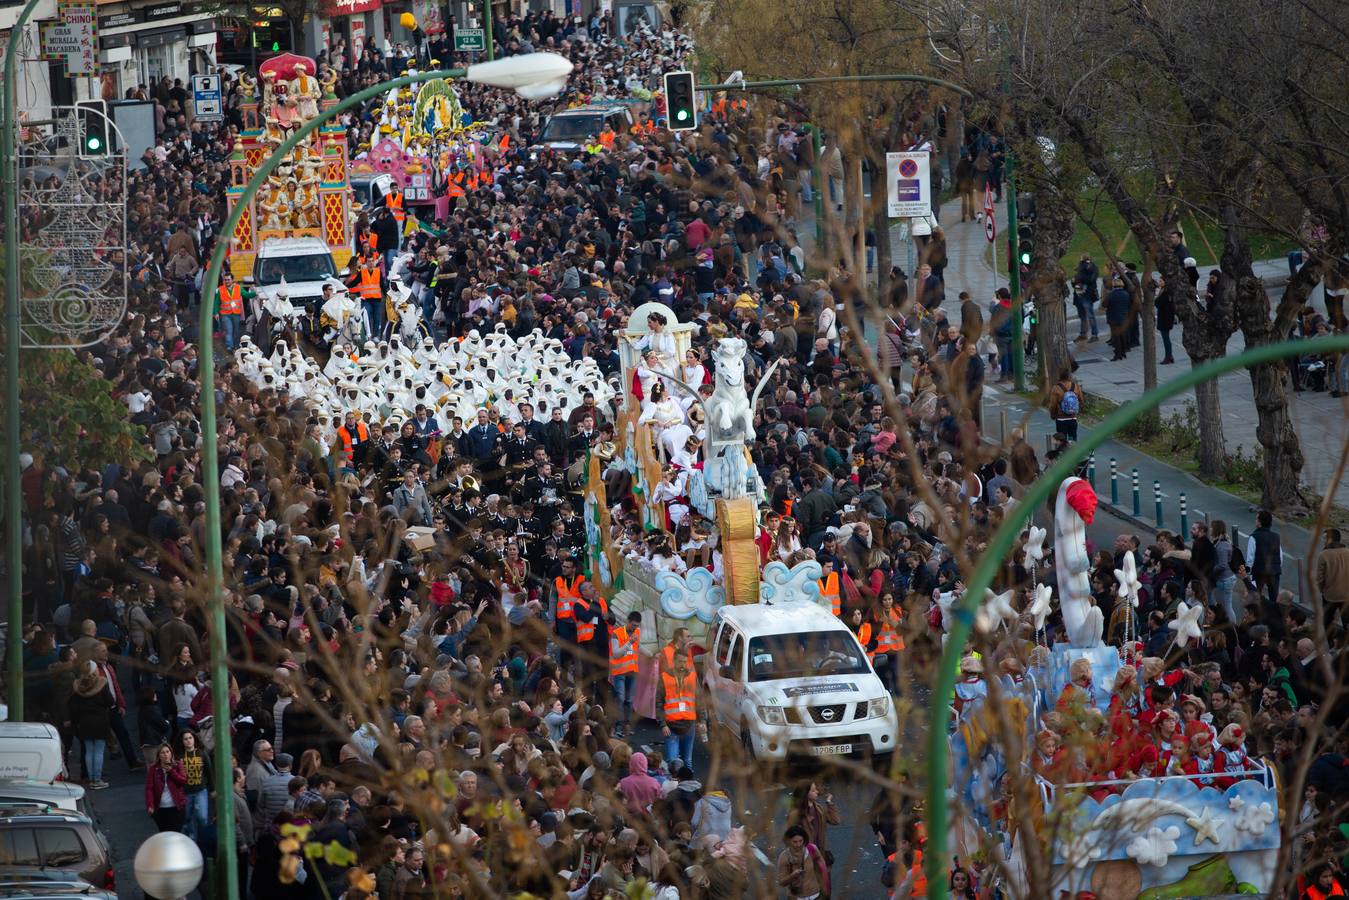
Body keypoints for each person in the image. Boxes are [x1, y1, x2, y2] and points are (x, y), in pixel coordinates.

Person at [777, 824, 829, 900]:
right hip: (796, 897)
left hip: (816, 895)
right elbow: (781, 882)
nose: (798, 844)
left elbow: (822, 865)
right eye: (795, 842)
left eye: (800, 841)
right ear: (788, 841)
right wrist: (792, 876)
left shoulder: (812, 849)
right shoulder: (784, 857)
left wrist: (824, 885)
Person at [145, 742, 188, 832]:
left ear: (171, 753)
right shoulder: (153, 769)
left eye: (168, 752)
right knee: (164, 833)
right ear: (159, 755)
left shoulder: (177, 765)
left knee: (176, 833)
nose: (166, 755)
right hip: (160, 809)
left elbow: (183, 781)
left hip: (176, 807)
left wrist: (171, 771)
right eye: (163, 753)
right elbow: (149, 788)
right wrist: (150, 805)